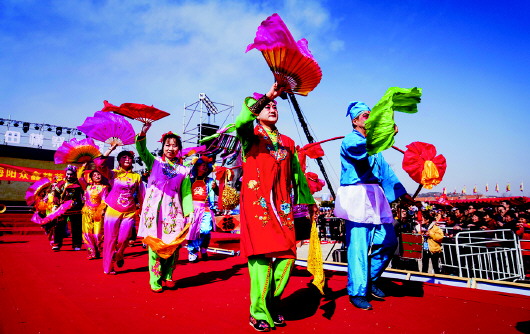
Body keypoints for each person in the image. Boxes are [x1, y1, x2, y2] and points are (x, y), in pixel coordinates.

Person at [236, 82, 317, 332]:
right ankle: (257, 312)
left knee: (287, 257)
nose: (272, 108)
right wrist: (267, 95)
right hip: (256, 206)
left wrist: (308, 202)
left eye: (274, 105)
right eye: (267, 105)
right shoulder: (249, 137)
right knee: (261, 258)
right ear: (257, 111)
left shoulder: (289, 143)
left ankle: (272, 303)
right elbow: (241, 122)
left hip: (283, 207)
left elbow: (298, 176)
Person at [334, 101, 416, 310]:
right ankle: (357, 291)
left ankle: (369, 279)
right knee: (359, 246)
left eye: (371, 115)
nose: (369, 118)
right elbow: (362, 150)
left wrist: (402, 194)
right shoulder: (351, 140)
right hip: (357, 195)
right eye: (365, 116)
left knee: (388, 241)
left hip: (376, 196)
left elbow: (387, 172)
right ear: (355, 121)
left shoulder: (377, 148)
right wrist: (387, 135)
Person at [136, 124, 193, 293]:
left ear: (179, 149)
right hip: (152, 213)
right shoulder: (154, 163)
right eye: (167, 145)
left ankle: (168, 275)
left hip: (173, 214)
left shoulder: (183, 170)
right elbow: (141, 149)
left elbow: (186, 193)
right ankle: (155, 278)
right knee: (155, 246)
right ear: (163, 147)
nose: (171, 148)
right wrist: (143, 133)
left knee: (173, 245)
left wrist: (189, 213)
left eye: (174, 145)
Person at [95, 148, 145, 275]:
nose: (127, 159)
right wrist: (111, 149)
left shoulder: (137, 176)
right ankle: (108, 267)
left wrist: (144, 210)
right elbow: (99, 164)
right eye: (124, 157)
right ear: (119, 161)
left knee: (124, 238)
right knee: (110, 239)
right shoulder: (113, 174)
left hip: (129, 211)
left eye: (129, 157)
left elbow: (141, 195)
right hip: (112, 210)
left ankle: (120, 253)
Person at [187, 156, 217, 262]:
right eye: (202, 165)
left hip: (206, 208)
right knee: (193, 231)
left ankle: (203, 248)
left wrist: (216, 187)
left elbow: (218, 193)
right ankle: (192, 252)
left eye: (206, 166)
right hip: (193, 209)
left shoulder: (210, 181)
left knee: (205, 230)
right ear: (197, 167)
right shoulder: (190, 180)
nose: (204, 167)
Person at [78, 163, 109, 260]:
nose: (97, 176)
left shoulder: (104, 188)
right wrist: (84, 166)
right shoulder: (87, 187)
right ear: (91, 178)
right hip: (87, 212)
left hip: (98, 213)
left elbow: (104, 200)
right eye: (94, 175)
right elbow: (79, 177)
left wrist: (101, 210)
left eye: (98, 174)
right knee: (87, 233)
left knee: (97, 234)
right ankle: (92, 252)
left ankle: (98, 250)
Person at [50, 165, 84, 251]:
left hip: (76, 208)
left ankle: (77, 244)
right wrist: (55, 205)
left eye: (71, 174)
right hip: (62, 208)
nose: (69, 176)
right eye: (68, 174)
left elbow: (85, 194)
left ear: (75, 174)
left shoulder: (80, 183)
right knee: (58, 226)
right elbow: (56, 195)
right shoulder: (61, 183)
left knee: (77, 227)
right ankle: (57, 244)